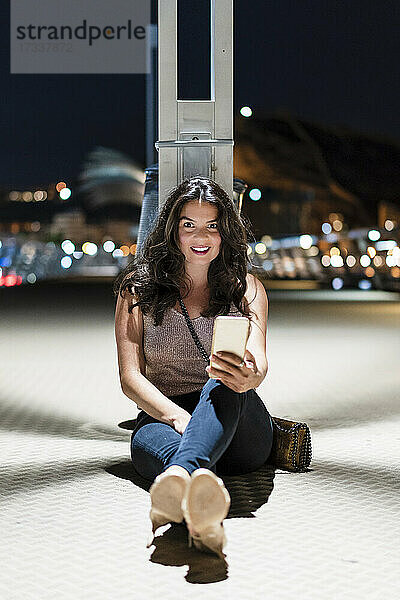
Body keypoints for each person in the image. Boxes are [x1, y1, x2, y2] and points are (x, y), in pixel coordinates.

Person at [113, 176, 274, 559]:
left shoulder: (245, 288)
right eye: (189, 225)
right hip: (164, 413)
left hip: (238, 419)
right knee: (149, 447)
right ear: (173, 230)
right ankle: (201, 504)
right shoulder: (137, 291)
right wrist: (176, 417)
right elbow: (130, 377)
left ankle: (183, 475)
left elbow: (259, 359)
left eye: (212, 226)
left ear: (225, 233)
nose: (200, 236)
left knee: (223, 379)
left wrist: (250, 374)